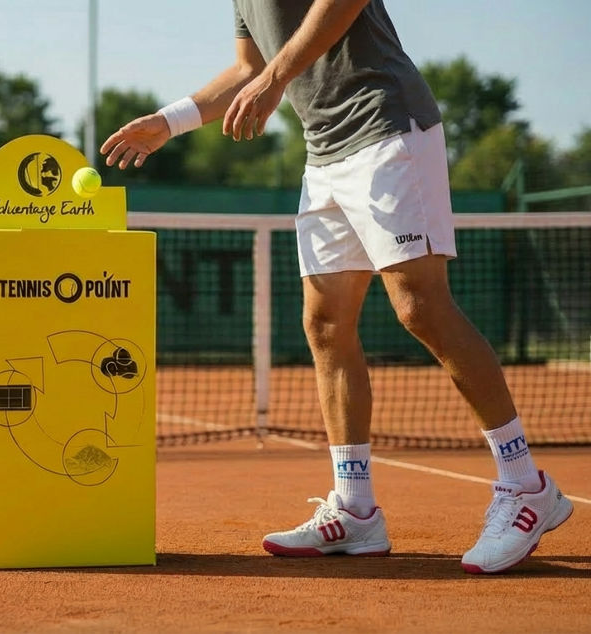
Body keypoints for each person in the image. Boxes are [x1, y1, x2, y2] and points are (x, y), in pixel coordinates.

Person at [99, 0, 573, 574]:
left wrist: (276, 78)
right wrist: (169, 122)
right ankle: (355, 510)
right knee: (324, 324)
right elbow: (249, 69)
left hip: (386, 127)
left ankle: (525, 485)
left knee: (420, 306)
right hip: (324, 154)